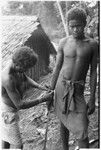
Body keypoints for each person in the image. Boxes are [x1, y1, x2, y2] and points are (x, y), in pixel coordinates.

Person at [48, 7, 98, 149]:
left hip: (77, 91)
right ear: (69, 25)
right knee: (63, 121)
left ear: (85, 24)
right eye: (72, 26)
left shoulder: (93, 45)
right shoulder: (64, 42)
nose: (75, 30)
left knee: (82, 129)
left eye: (79, 26)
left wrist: (93, 98)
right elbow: (57, 68)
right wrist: (51, 91)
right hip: (60, 87)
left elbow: (94, 71)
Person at [1, 46, 51, 149]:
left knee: (6, 137)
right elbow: (20, 105)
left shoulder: (16, 65)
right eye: (25, 68)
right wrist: (42, 99)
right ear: (18, 64)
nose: (26, 70)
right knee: (18, 144)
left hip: (10, 110)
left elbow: (25, 78)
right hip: (8, 113)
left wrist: (40, 87)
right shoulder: (7, 78)